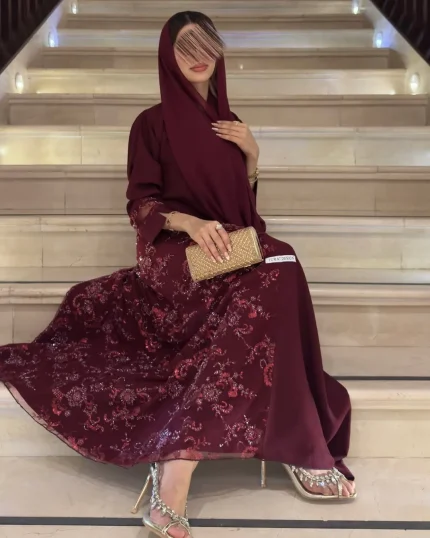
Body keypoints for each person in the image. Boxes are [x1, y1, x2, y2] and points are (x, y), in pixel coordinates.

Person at [0, 11, 356, 538]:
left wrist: (252, 158)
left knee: (281, 263)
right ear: (167, 55)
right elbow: (140, 204)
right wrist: (188, 223)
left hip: (227, 245)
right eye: (185, 45)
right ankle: (296, 443)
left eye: (206, 43)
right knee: (271, 276)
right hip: (172, 253)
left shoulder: (230, 124)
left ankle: (181, 461)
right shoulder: (151, 123)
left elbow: (244, 214)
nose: (197, 54)